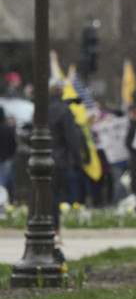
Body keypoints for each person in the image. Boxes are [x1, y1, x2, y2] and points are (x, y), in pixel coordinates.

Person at [47, 77, 84, 244]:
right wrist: (78, 159)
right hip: (58, 158)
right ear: (62, 91)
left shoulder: (42, 107)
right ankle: (55, 231)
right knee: (55, 196)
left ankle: (43, 228)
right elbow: (71, 138)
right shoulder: (64, 110)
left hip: (41, 157)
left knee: (42, 196)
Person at [0, 107, 17, 202]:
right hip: (6, 159)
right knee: (5, 183)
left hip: (4, 158)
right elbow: (13, 145)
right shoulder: (8, 129)